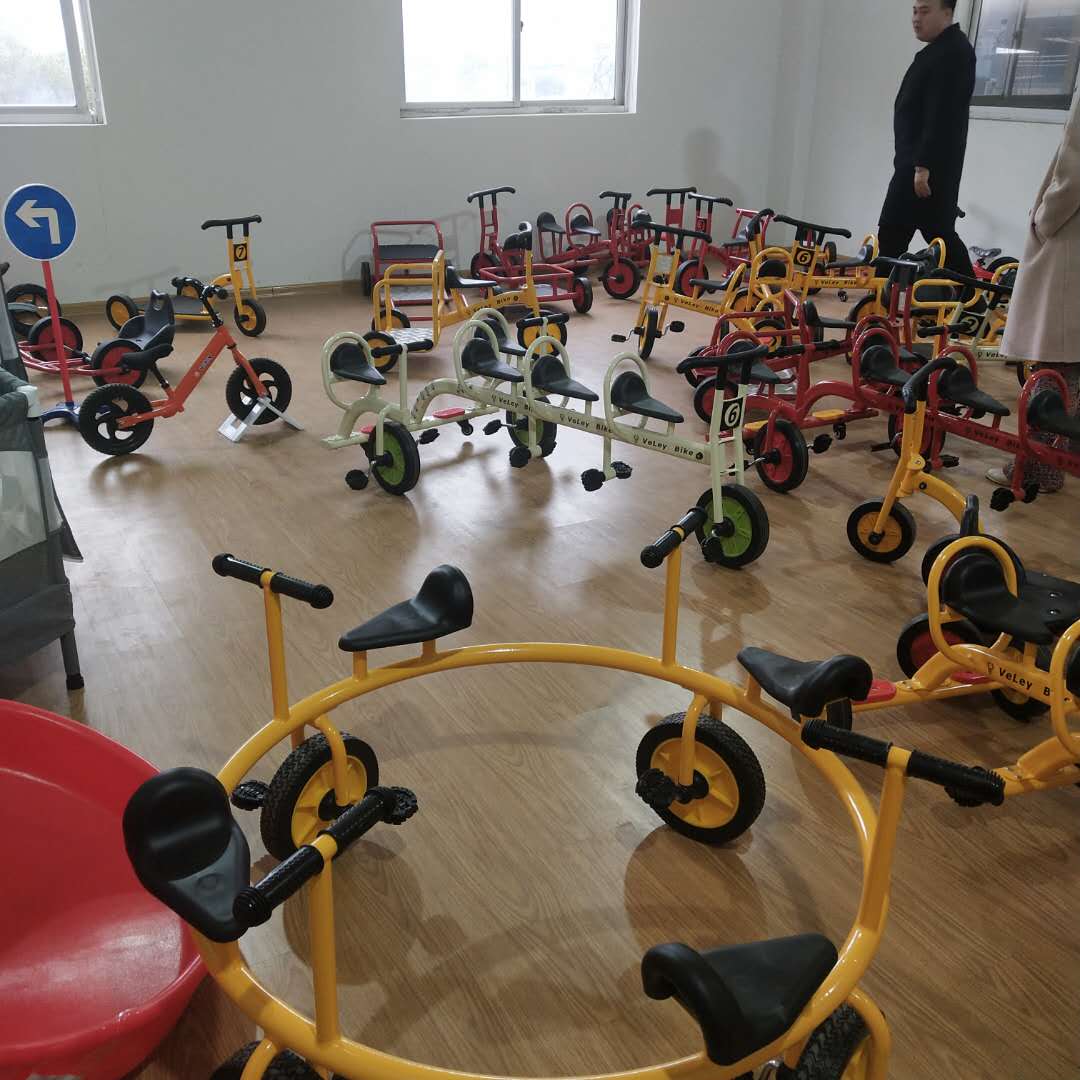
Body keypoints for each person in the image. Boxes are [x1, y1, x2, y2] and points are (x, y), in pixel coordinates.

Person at [988, 93, 1080, 493]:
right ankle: (1064, 459)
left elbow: (1074, 166)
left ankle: (1038, 469)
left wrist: (1044, 219)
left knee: (1056, 358)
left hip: (1070, 237)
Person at [879, 0, 976, 275]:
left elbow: (942, 114)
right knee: (926, 232)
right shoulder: (939, 51)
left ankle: (971, 293)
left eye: (924, 11)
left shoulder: (953, 52)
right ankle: (884, 295)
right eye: (914, 11)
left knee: (911, 232)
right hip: (916, 163)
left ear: (947, 12)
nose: (916, 18)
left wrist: (923, 166)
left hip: (924, 168)